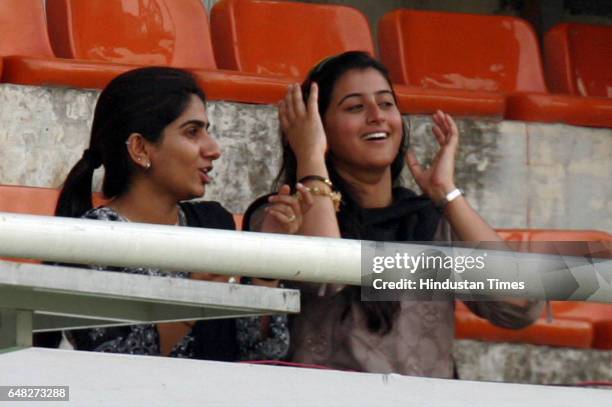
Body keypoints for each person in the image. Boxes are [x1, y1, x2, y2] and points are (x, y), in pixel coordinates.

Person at [244, 51, 543, 377]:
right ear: (319, 128)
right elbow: (326, 271)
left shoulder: (430, 221)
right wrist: (311, 155)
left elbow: (519, 306)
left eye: (386, 104)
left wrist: (448, 195)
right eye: (355, 107)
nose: (377, 116)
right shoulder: (284, 213)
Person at [52, 66, 309, 360]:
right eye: (192, 132)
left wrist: (267, 268)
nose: (214, 149)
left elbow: (261, 349)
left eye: (206, 131)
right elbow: (111, 364)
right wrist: (196, 295)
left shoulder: (212, 223)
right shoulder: (93, 240)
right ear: (140, 148)